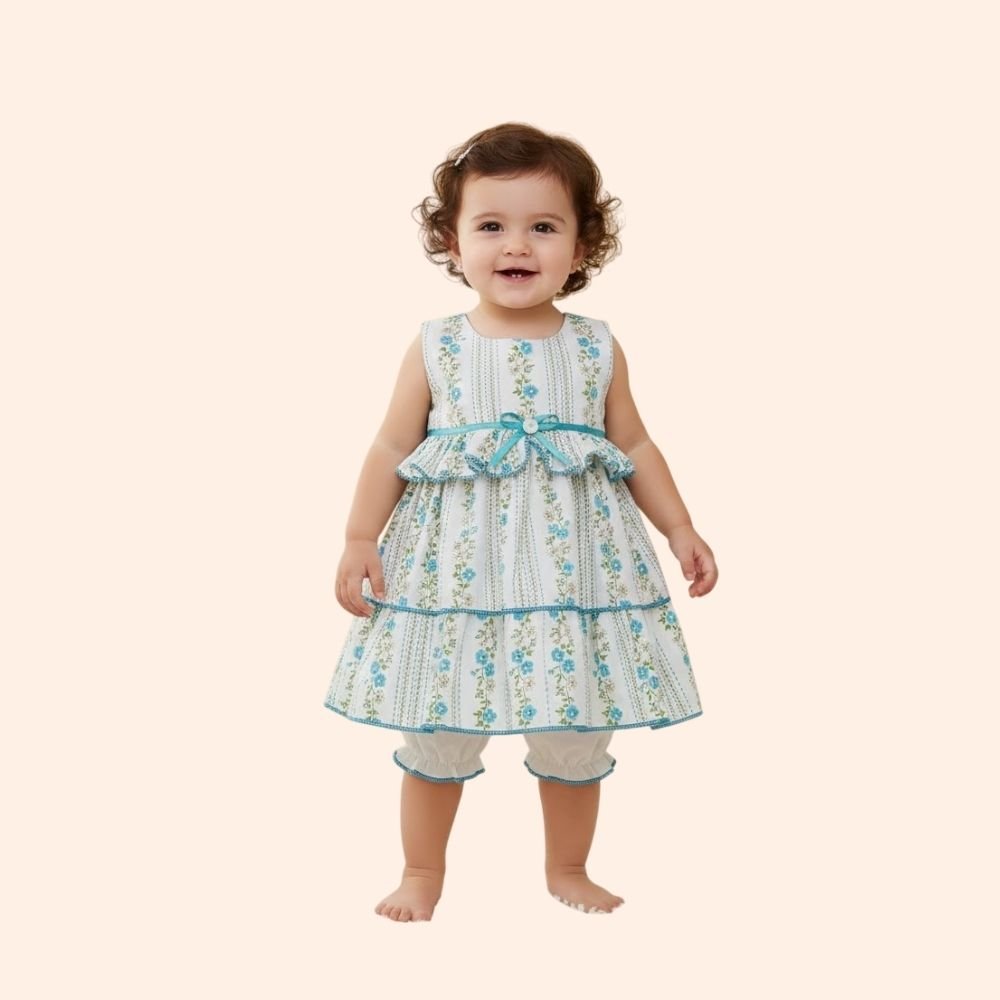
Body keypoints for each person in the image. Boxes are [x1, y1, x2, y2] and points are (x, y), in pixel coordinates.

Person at [324, 122, 718, 921]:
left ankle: (567, 867)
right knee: (439, 722)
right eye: (491, 225)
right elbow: (392, 446)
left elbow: (635, 444)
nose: (516, 245)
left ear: (582, 245)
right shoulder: (438, 346)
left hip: (572, 578)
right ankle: (421, 872)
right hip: (456, 579)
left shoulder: (595, 347)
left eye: (543, 226)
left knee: (576, 719)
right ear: (452, 240)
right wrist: (360, 537)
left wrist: (679, 527)